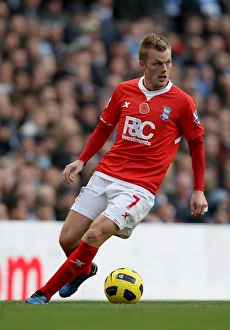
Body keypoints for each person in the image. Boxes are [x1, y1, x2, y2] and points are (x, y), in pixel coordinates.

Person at [26, 33, 208, 304]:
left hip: (140, 186)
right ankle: (85, 270)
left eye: (168, 62)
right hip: (106, 173)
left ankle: (43, 294)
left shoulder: (182, 102)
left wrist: (198, 189)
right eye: (157, 63)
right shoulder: (124, 90)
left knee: (94, 234)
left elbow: (197, 144)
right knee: (67, 239)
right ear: (142, 65)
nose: (164, 69)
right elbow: (104, 127)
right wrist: (82, 160)